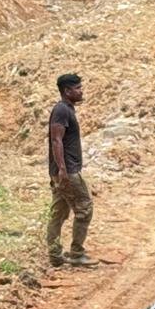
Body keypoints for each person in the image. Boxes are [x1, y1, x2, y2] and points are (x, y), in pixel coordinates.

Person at [47, 73, 97, 267]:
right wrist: (62, 169)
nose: (81, 91)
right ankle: (76, 253)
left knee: (59, 211)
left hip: (62, 170)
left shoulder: (66, 109)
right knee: (85, 208)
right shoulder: (61, 110)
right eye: (77, 88)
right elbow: (56, 140)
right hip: (67, 171)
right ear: (67, 91)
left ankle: (55, 254)